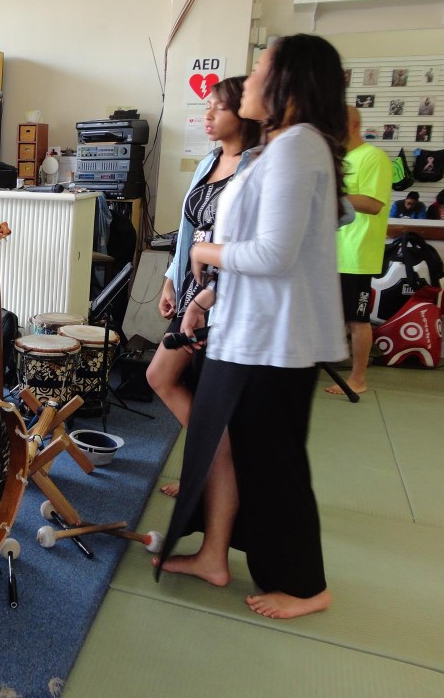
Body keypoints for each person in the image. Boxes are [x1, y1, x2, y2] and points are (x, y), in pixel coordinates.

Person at [156, 34, 349, 620]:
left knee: (275, 463)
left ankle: (308, 586)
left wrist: (209, 255)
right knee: (221, 442)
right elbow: (278, 246)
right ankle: (214, 553)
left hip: (276, 341)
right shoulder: (282, 148)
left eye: (262, 67)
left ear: (289, 80)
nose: (253, 77)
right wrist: (210, 292)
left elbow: (273, 254)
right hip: (246, 329)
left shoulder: (298, 148)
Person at [147, 76, 261, 506]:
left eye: (219, 107)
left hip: (228, 297)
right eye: (206, 105)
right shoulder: (209, 160)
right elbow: (188, 233)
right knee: (168, 379)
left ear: (245, 113)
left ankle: (211, 471)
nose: (207, 115)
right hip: (194, 290)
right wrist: (170, 280)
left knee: (192, 389)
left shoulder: (257, 165)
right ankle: (207, 467)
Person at [327, 107, 392, 397]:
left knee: (357, 318)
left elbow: (374, 203)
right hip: (332, 252)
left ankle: (358, 378)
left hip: (356, 254)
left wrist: (329, 193)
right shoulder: (342, 159)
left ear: (351, 125)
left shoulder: (373, 157)